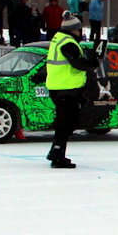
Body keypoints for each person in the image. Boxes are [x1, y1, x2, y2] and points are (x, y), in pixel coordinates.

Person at [41, 15, 96, 169]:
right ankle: (58, 156)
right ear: (74, 30)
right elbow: (78, 63)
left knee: (66, 122)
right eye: (79, 29)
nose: (80, 32)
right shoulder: (67, 43)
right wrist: (93, 63)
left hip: (60, 87)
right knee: (67, 122)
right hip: (65, 89)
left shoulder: (58, 39)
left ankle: (56, 151)